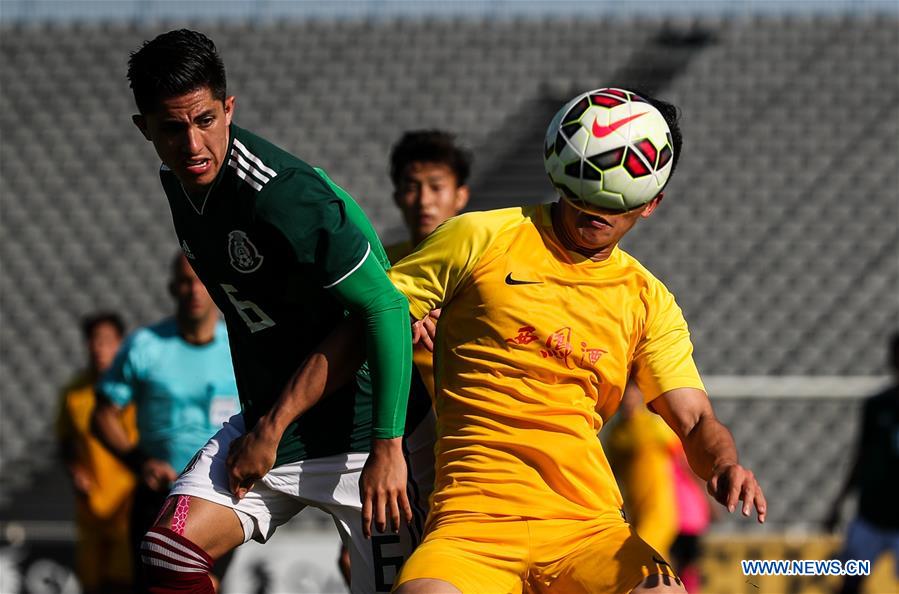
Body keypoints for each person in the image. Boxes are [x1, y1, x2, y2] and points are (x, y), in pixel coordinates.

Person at [383, 88, 767, 594]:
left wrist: (723, 464)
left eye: (618, 199)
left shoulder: (648, 300)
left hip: (588, 529)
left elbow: (694, 419)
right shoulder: (480, 237)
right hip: (471, 524)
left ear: (651, 202)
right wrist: (395, 328)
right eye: (588, 191)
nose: (597, 209)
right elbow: (368, 319)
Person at [125, 29, 415, 594]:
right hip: (273, 427)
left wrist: (389, 448)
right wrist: (271, 425)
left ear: (228, 108)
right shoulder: (180, 180)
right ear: (144, 128)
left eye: (205, 119)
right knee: (170, 552)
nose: (191, 144)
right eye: (171, 128)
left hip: (360, 433)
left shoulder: (278, 192)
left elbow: (383, 308)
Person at [338, 129, 473, 586]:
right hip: (397, 456)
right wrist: (393, 323)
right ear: (397, 193)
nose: (423, 199)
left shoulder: (485, 269)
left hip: (472, 456)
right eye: (412, 186)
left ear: (461, 194)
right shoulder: (379, 270)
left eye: (436, 186)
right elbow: (349, 354)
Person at [92, 254, 241, 592]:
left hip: (217, 494)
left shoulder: (238, 346)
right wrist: (140, 462)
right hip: (158, 495)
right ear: (173, 287)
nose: (194, 290)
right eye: (185, 281)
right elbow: (102, 416)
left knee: (202, 585)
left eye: (201, 279)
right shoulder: (145, 345)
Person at [56, 312, 135, 594]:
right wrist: (75, 471)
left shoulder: (135, 389)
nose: (99, 348)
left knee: (122, 582)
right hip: (91, 505)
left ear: (120, 344)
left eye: (106, 341)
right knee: (91, 583)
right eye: (94, 341)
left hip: (127, 504)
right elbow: (65, 442)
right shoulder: (74, 393)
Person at [825, 332, 899, 594]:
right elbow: (862, 455)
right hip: (872, 513)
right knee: (850, 583)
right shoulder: (878, 405)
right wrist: (839, 502)